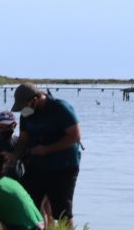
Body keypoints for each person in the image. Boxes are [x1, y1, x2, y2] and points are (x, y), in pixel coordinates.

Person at [10, 82, 82, 222]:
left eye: (24, 105)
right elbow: (23, 140)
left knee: (62, 211)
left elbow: (75, 136)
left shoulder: (60, 108)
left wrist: (47, 150)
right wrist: (14, 157)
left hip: (64, 166)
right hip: (37, 165)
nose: (23, 109)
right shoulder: (26, 113)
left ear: (35, 99)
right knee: (30, 204)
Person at [0, 110, 23, 179]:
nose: (3, 130)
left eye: (7, 127)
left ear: (14, 125)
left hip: (20, 179)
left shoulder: (20, 142)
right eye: (0, 127)